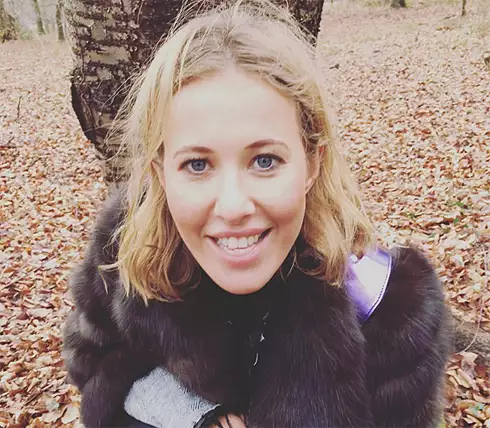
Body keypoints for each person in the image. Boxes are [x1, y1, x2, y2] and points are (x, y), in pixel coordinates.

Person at [62, 0, 453, 427]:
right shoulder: (124, 259)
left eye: (265, 161)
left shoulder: (387, 310)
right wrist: (187, 414)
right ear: (161, 174)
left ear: (312, 164)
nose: (233, 207)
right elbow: (93, 370)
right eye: (197, 164)